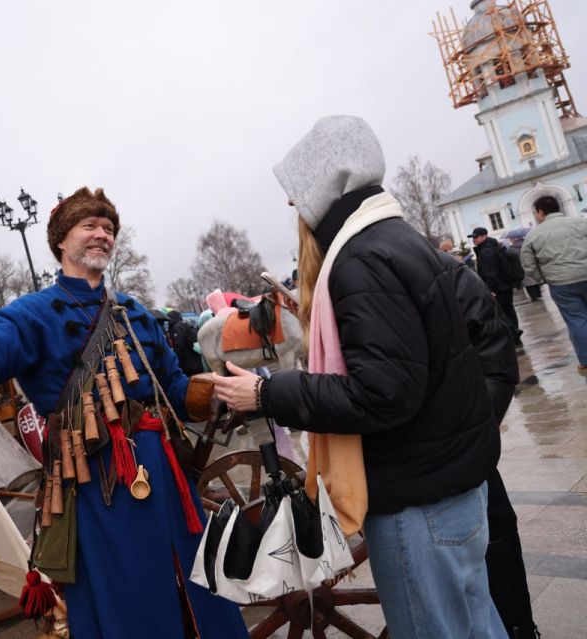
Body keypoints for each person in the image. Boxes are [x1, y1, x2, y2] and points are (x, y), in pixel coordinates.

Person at [0, 187, 249, 639]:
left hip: (165, 478)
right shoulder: (33, 315)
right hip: (96, 485)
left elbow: (176, 389)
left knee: (198, 589)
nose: (102, 234)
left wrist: (217, 393)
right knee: (128, 603)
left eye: (109, 228)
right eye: (90, 225)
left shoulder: (136, 314)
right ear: (61, 240)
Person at [211, 115, 507, 638]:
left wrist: (265, 391)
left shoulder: (361, 259)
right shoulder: (397, 239)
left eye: (299, 187)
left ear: (329, 181)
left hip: (417, 501)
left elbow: (382, 393)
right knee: (477, 625)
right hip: (451, 484)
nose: (291, 202)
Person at [440, 250, 539, 639]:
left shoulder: (445, 272)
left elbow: (495, 355)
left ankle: (517, 625)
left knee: (495, 529)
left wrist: (475, 429)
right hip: (450, 443)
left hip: (462, 439)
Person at [521, 195, 587, 376]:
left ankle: (586, 361)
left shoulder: (534, 235)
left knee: (577, 321)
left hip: (562, 283)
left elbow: (528, 265)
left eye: (536, 213)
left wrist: (544, 278)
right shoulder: (581, 223)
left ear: (541, 212)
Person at [471, 226, 523, 344]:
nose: (474, 239)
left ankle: (514, 332)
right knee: (508, 311)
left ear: (484, 236)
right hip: (505, 285)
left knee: (500, 313)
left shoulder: (486, 251)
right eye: (473, 237)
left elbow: (491, 272)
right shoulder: (494, 246)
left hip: (498, 288)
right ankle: (515, 336)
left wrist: (491, 289)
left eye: (476, 237)